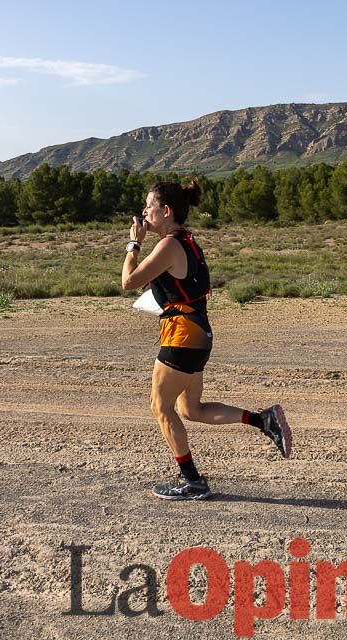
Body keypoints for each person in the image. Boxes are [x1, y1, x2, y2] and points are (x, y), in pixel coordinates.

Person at [121, 178, 292, 501]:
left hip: (182, 336)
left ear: (166, 211)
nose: (144, 212)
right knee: (190, 408)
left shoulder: (169, 245)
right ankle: (263, 420)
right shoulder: (188, 241)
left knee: (161, 407)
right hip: (198, 334)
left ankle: (192, 481)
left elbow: (129, 281)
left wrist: (133, 243)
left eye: (149, 207)